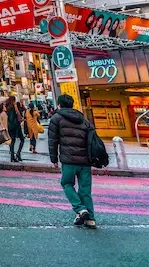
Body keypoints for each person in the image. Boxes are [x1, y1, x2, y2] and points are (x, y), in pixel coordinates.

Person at [48, 94, 97, 229]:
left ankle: (80, 209)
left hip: (68, 160)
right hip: (85, 161)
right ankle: (90, 218)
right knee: (85, 190)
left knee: (66, 183)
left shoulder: (56, 118)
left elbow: (53, 141)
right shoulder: (83, 119)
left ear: (59, 105)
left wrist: (54, 159)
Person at [4, 96, 25, 162]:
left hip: (10, 125)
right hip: (16, 125)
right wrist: (21, 119)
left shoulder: (7, 107)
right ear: (14, 100)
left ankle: (12, 157)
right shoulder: (14, 106)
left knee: (13, 141)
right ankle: (18, 153)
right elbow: (18, 114)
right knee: (22, 139)